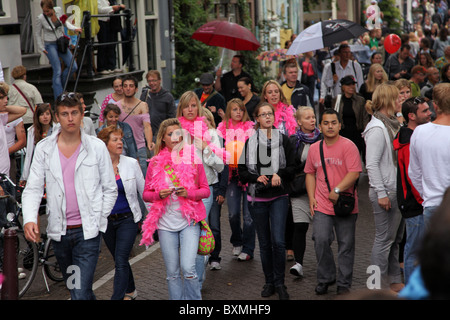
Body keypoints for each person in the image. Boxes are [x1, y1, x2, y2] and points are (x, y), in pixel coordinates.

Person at [22, 92, 118, 300]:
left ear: (82, 114)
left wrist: (100, 219)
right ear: (57, 117)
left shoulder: (96, 147)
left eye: (75, 113)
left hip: (88, 232)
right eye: (65, 114)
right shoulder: (44, 149)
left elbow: (110, 188)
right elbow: (33, 188)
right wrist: (30, 218)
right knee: (77, 289)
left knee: (80, 293)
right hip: (60, 233)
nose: (70, 118)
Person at [139, 118, 211, 300]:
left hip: (189, 221)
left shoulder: (193, 160)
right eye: (170, 134)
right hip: (165, 224)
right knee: (172, 273)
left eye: (178, 133)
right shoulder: (155, 163)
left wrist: (188, 193)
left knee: (188, 268)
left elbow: (205, 190)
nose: (175, 137)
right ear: (162, 138)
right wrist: (158, 195)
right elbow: (146, 194)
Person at [238, 102, 296, 300]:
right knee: (264, 243)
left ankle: (280, 283)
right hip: (258, 198)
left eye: (270, 114)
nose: (267, 117)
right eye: (263, 115)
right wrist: (256, 178)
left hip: (279, 196)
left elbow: (294, 167)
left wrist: (279, 173)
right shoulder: (250, 142)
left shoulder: (284, 140)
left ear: (274, 117)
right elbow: (242, 171)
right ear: (257, 119)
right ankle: (269, 282)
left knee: (278, 241)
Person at [304, 108, 361, 296]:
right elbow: (310, 173)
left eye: (333, 123)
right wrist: (312, 197)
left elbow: (354, 172)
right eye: (326, 123)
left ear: (339, 125)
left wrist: (337, 190)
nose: (330, 126)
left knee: (346, 244)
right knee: (320, 240)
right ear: (320, 126)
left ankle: (344, 283)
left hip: (345, 203)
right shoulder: (314, 148)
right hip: (321, 204)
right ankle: (325, 277)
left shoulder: (349, 146)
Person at [176, 91, 225, 287]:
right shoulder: (175, 131)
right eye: (186, 106)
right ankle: (194, 276)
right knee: (185, 236)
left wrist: (206, 148)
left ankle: (196, 282)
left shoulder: (211, 133)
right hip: (180, 193)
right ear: (181, 109)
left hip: (204, 192)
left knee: (197, 234)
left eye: (193, 105)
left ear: (198, 108)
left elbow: (220, 166)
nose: (190, 109)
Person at [362, 83, 404, 293]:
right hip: (386, 190)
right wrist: (381, 193)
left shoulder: (393, 123)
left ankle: (395, 279)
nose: (400, 101)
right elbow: (371, 164)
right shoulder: (377, 128)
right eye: (397, 98)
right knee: (383, 240)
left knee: (394, 239)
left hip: (394, 188)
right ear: (388, 100)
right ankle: (374, 286)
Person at [97, 125, 144, 300]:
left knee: (121, 257)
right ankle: (131, 290)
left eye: (121, 139)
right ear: (105, 144)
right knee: (120, 260)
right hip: (107, 221)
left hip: (128, 219)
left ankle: (117, 297)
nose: (120, 142)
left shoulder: (131, 163)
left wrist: (153, 220)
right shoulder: (97, 167)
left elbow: (144, 191)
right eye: (115, 139)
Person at [393, 97, 431, 284]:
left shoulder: (414, 136)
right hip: (415, 203)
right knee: (413, 251)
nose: (429, 113)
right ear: (411, 116)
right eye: (424, 111)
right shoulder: (408, 141)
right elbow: (412, 176)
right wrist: (424, 200)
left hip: (418, 201)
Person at [217, 98, 255, 262]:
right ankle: (237, 241)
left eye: (240, 109)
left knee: (248, 216)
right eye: (234, 109)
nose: (238, 112)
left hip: (248, 176)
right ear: (228, 112)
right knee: (233, 214)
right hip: (231, 177)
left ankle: (248, 248)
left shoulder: (250, 129)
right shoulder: (221, 129)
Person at [409, 83, 450, 225]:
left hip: (431, 203)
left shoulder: (419, 132)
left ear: (435, 105)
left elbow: (414, 173)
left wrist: (427, 194)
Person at [288, 106, 322, 278]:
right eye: (307, 118)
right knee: (300, 226)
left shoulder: (323, 138)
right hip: (299, 190)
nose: (312, 120)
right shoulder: (293, 141)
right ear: (299, 122)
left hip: (321, 191)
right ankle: (298, 263)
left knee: (320, 233)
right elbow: (289, 166)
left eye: (313, 117)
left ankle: (323, 264)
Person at [34, 0, 81, 100]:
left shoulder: (58, 11)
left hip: (60, 43)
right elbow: (37, 34)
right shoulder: (41, 18)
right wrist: (41, 48)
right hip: (49, 45)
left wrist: (74, 28)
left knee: (73, 66)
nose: (46, 13)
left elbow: (65, 23)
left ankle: (59, 87)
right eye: (44, 11)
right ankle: (59, 98)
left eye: (48, 11)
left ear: (52, 8)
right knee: (57, 70)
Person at [117, 75, 153, 175]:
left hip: (139, 147)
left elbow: (147, 126)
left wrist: (149, 142)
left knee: (143, 177)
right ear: (122, 88)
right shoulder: (116, 106)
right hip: (122, 147)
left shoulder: (142, 105)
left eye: (131, 86)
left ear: (136, 89)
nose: (128, 88)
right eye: (125, 86)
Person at [332, 75, 371, 158]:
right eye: (348, 85)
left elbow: (365, 118)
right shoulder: (337, 100)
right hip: (342, 133)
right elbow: (333, 116)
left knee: (356, 157)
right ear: (343, 87)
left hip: (357, 134)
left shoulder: (360, 100)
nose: (351, 87)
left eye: (353, 84)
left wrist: (366, 133)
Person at [0, 82, 27, 198]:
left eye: (7, 97)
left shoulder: (1, 118)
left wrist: (4, 107)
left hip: (6, 177)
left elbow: (22, 111)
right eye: (2, 98)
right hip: (1, 180)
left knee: (10, 214)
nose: (6, 100)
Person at [20, 103, 56, 186]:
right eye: (42, 114)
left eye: (47, 114)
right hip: (38, 166)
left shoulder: (57, 129)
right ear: (37, 117)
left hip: (53, 167)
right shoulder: (32, 131)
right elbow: (29, 154)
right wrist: (24, 176)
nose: (45, 117)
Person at [140, 70, 176, 144]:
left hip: (161, 135)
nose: (152, 83)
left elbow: (172, 117)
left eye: (154, 80)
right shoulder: (145, 95)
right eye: (149, 81)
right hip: (146, 135)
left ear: (160, 80)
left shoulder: (167, 97)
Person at [7, 65, 44, 131]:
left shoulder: (9, 89)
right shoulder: (31, 87)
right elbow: (39, 104)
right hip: (29, 119)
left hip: (13, 119)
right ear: (24, 76)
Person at [96, 0, 125, 75]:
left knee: (111, 44)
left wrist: (117, 7)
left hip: (109, 22)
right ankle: (101, 67)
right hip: (101, 22)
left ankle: (111, 66)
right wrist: (112, 8)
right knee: (103, 44)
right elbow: (99, 9)